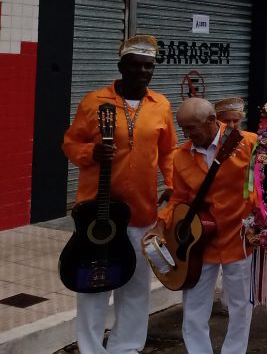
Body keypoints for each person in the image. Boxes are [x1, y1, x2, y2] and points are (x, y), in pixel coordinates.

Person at [62, 35, 177, 354]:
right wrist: (91, 151)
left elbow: (168, 152)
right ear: (121, 66)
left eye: (149, 66)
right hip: (96, 214)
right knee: (92, 282)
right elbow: (69, 143)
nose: (143, 71)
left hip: (142, 211)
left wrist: (173, 185)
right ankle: (90, 348)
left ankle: (126, 347)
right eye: (136, 65)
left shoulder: (162, 105)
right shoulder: (94, 101)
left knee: (137, 285)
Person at [147, 98, 257, 354]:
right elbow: (180, 199)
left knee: (241, 307)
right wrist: (160, 224)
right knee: (194, 307)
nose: (187, 134)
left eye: (192, 128)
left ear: (212, 121)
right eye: (183, 128)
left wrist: (261, 222)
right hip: (200, 241)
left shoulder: (248, 144)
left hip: (239, 238)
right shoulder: (181, 156)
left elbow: (263, 188)